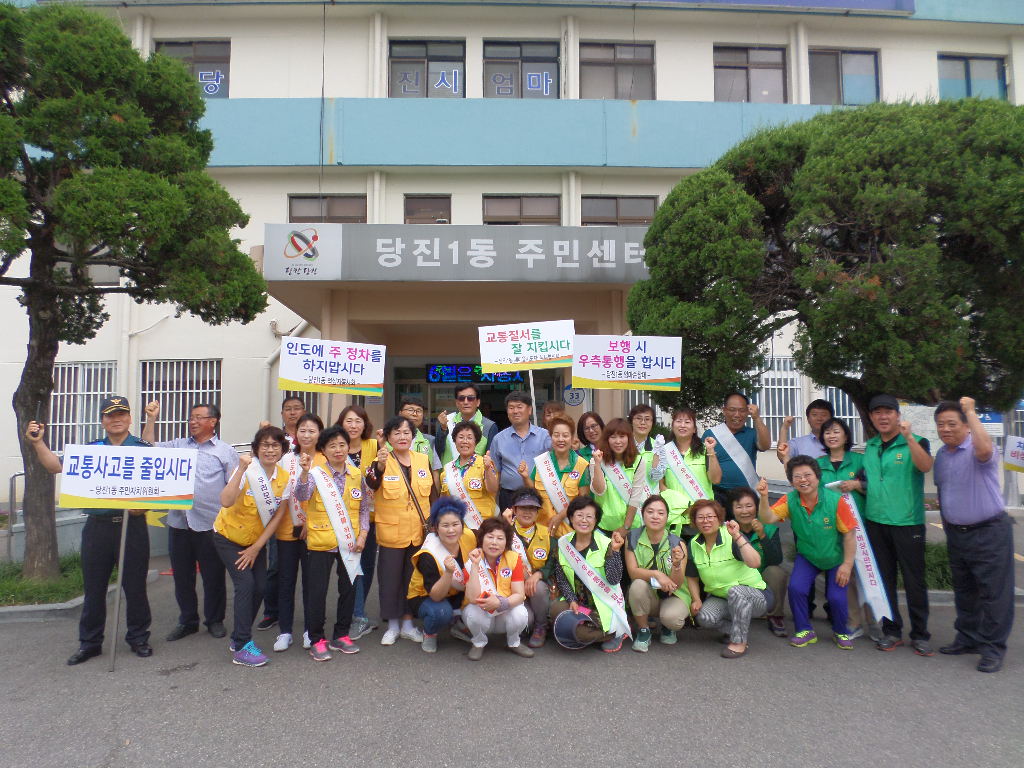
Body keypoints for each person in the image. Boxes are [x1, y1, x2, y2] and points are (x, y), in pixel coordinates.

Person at [25, 397, 154, 665]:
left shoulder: (141, 448)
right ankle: (90, 643)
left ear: (130, 418)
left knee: (135, 587)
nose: (116, 419)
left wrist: (145, 507)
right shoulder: (91, 450)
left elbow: (156, 485)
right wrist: (38, 443)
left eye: (121, 414)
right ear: (103, 420)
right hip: (98, 529)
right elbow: (55, 466)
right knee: (94, 589)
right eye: (110, 415)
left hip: (132, 528)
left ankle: (139, 637)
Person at [143, 401, 236, 642]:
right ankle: (187, 621)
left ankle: (214, 620)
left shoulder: (225, 451)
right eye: (191, 418)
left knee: (213, 575)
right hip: (179, 523)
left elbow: (235, 488)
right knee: (182, 576)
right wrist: (151, 419)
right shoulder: (178, 446)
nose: (192, 422)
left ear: (213, 421)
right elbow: (148, 448)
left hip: (211, 524)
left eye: (198, 417)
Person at [933, 398, 1014, 673]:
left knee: (994, 594)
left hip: (989, 531)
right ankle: (967, 638)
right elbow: (944, 491)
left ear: (967, 426)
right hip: (958, 533)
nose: (945, 429)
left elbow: (984, 449)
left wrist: (969, 409)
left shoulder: (979, 448)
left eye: (952, 424)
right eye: (941, 424)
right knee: (965, 592)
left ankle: (992, 648)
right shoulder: (943, 455)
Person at [861, 394, 934, 656]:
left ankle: (921, 634)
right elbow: (864, 480)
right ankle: (892, 631)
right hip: (876, 522)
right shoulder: (869, 447)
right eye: (877, 412)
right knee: (884, 581)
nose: (883, 417)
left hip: (907, 522)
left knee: (914, 581)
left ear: (897, 414)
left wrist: (911, 438)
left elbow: (925, 466)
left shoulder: (916, 442)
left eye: (888, 412)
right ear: (871, 417)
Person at [212, 426, 290, 667]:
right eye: (265, 445)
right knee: (245, 584)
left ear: (282, 450)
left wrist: (257, 547)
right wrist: (241, 469)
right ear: (256, 448)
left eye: (275, 445)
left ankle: (238, 638)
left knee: (260, 587)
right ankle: (243, 645)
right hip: (228, 537)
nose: (270, 450)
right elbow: (225, 501)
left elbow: (278, 516)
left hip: (255, 542)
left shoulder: (284, 478)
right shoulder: (247, 470)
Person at [759, 458, 857, 650]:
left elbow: (850, 534)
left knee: (836, 597)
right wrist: (763, 497)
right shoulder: (790, 500)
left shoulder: (835, 501)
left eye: (807, 475)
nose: (803, 480)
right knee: (796, 588)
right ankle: (804, 630)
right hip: (807, 556)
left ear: (817, 477)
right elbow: (768, 518)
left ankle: (840, 632)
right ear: (791, 481)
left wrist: (846, 565)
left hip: (835, 557)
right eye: (797, 477)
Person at [293, 425, 372, 661]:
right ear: (323, 450)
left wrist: (363, 535)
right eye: (332, 446)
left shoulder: (356, 474)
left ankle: (341, 634)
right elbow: (302, 495)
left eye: (342, 444)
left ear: (348, 447)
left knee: (348, 590)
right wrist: (305, 473)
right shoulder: (316, 474)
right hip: (321, 541)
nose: (338, 450)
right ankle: (317, 638)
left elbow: (364, 509)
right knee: (317, 592)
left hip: (350, 543)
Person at [365, 415, 435, 645]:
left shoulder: (423, 459)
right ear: (388, 437)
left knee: (412, 579)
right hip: (391, 532)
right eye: (397, 433)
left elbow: (431, 494)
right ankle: (393, 625)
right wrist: (380, 465)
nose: (402, 437)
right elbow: (371, 483)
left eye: (406, 432)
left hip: (418, 532)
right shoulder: (381, 459)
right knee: (390, 579)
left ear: (413, 436)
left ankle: (408, 623)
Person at [686, 499, 770, 658]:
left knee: (736, 591)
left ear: (719, 519)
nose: (706, 521)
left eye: (710, 516)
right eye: (701, 517)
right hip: (722, 597)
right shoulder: (694, 544)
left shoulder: (730, 536)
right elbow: (691, 576)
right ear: (695, 521)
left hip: (756, 596)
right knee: (705, 617)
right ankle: (736, 628)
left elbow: (755, 562)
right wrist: (696, 599)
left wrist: (738, 536)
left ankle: (739, 642)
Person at [271, 413, 324, 652]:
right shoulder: (285, 460)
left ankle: (308, 629)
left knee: (311, 582)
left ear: (320, 434)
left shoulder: (325, 460)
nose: (306, 434)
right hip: (286, 530)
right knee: (286, 580)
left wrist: (308, 523)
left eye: (312, 430)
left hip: (314, 531)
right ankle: (284, 631)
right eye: (302, 430)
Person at [549, 497, 629, 653]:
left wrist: (616, 551)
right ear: (571, 518)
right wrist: (571, 600)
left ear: (596, 520)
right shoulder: (563, 544)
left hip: (603, 604)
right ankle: (593, 629)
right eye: (579, 515)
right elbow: (562, 578)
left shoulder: (607, 543)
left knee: (580, 634)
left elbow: (614, 579)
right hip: (579, 602)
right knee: (555, 609)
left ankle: (616, 631)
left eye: (589, 516)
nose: (584, 520)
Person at [256, 395, 307, 634]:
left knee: (308, 572)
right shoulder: (274, 436)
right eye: (288, 409)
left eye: (297, 408)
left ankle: (311, 619)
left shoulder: (309, 437)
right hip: (279, 514)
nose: (293, 413)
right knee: (276, 567)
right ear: (282, 413)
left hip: (306, 516)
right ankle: (271, 612)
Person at [407, 497, 478, 653]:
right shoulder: (428, 554)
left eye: (455, 524)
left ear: (462, 525)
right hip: (425, 595)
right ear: (436, 528)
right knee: (441, 612)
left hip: (455, 591)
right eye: (445, 525)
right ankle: (430, 633)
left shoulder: (469, 536)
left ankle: (458, 622)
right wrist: (448, 572)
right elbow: (436, 596)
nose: (451, 530)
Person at [336, 404, 380, 642]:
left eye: (358, 421)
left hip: (370, 517)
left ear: (365, 425)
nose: (353, 426)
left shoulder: (373, 445)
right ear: (341, 423)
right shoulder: (334, 447)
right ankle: (357, 614)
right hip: (342, 518)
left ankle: (358, 611)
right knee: (353, 568)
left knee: (367, 566)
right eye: (349, 421)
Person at [462, 517, 534, 660]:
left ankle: (514, 642)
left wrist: (500, 603)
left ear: (506, 542)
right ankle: (478, 642)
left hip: (504, 611)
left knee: (520, 613)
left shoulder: (513, 558)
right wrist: (475, 566)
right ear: (482, 539)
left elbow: (519, 594)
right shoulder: (473, 559)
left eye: (500, 538)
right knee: (472, 611)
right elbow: (472, 597)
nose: (494, 542)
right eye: (490, 537)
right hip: (482, 611)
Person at [624, 495, 690, 652]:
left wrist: (676, 565)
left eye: (661, 513)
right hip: (648, 595)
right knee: (637, 585)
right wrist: (657, 574)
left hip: (673, 595)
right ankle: (643, 630)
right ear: (643, 514)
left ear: (667, 517)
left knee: (672, 619)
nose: (655, 517)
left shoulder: (677, 543)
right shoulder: (632, 537)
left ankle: (668, 627)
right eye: (650, 512)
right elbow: (633, 572)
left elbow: (677, 584)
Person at [519, 414, 590, 537]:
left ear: (572, 438)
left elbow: (583, 500)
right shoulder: (542, 462)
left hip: (570, 531)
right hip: (541, 529)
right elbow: (533, 492)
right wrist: (525, 477)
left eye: (565, 435)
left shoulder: (582, 465)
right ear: (551, 437)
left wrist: (560, 516)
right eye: (556, 435)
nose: (560, 439)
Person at [502, 488, 556, 647]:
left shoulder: (546, 533)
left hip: (536, 587)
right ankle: (530, 623)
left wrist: (538, 575)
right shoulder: (505, 531)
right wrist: (505, 527)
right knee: (526, 621)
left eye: (532, 508)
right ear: (514, 509)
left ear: (538, 511)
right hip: (512, 586)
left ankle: (541, 626)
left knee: (538, 587)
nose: (527, 512)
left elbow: (553, 563)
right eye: (523, 507)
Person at [731, 485, 787, 638]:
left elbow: (776, 559)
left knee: (776, 572)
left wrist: (762, 535)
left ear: (756, 508)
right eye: (739, 507)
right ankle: (730, 614)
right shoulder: (728, 530)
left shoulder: (768, 528)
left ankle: (775, 616)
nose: (744, 511)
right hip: (737, 578)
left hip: (761, 576)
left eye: (749, 506)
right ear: (732, 509)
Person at [655, 407, 721, 533]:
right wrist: (684, 506)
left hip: (703, 518)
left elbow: (716, 479)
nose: (682, 425)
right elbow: (659, 484)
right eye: (679, 421)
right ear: (673, 425)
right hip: (675, 517)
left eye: (687, 422)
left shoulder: (704, 450)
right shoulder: (663, 451)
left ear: (694, 428)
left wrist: (711, 451)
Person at [702, 393, 771, 509]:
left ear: (747, 412)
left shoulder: (752, 433)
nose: (737, 415)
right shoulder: (710, 434)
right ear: (724, 410)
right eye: (732, 410)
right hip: (718, 495)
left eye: (742, 410)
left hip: (746, 495)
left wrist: (757, 418)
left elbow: (765, 445)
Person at [489, 391, 551, 511]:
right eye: (511, 408)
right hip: (508, 496)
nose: (515, 411)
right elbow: (496, 472)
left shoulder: (545, 436)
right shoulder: (499, 439)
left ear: (529, 410)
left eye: (519, 407)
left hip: (538, 494)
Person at [589, 418, 648, 534]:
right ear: (607, 439)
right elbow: (599, 491)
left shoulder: (638, 461)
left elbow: (636, 497)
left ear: (629, 438)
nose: (618, 441)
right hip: (604, 524)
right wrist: (597, 464)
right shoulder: (596, 460)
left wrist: (626, 527)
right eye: (613, 437)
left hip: (632, 525)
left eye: (622, 436)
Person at [439, 421, 499, 528]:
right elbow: (443, 499)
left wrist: (488, 469)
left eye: (469, 438)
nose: (465, 441)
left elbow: (493, 489)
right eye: (461, 437)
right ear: (455, 441)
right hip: (455, 527)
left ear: (476, 442)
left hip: (481, 526)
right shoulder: (447, 469)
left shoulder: (485, 463)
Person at [435, 383, 499, 465]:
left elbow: (491, 459)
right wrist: (443, 429)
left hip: (476, 476)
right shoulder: (447, 421)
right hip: (449, 475)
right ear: (457, 402)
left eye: (470, 398)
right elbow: (437, 451)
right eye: (461, 398)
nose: (466, 402)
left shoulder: (489, 426)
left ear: (478, 402)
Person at [398, 396, 442, 487]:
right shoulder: (388, 440)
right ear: (400, 413)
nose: (415, 414)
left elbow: (435, 472)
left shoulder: (430, 440)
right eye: (410, 410)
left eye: (419, 411)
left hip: (422, 494)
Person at [776, 398, 833, 463]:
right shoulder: (797, 444)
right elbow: (782, 456)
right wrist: (784, 428)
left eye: (823, 415)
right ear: (808, 419)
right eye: (814, 415)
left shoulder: (839, 443)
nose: (819, 418)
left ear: (831, 418)